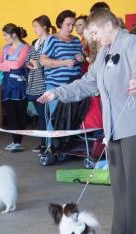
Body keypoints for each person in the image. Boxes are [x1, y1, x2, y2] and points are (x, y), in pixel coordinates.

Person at [38, 8, 136, 234]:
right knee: (121, 183)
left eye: (94, 32)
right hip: (114, 128)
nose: (92, 38)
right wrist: (57, 93)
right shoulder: (104, 53)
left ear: (107, 26)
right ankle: (123, 232)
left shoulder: (130, 41)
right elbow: (86, 83)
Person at [40, 10, 83, 151]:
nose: (71, 28)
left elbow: (80, 58)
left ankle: (65, 147)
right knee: (55, 118)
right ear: (60, 24)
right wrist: (63, 63)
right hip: (55, 86)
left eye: (73, 24)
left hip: (74, 86)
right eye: (68, 24)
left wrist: (80, 58)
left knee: (71, 119)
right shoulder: (52, 39)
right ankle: (51, 148)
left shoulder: (76, 40)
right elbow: (43, 61)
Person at [0, 23, 30, 152]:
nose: (4, 38)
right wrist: (10, 64)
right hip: (6, 85)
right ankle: (16, 141)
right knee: (10, 114)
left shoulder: (25, 48)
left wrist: (6, 64)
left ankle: (18, 141)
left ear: (14, 34)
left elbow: (18, 65)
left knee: (20, 114)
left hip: (20, 86)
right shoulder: (5, 48)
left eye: (5, 35)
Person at [26, 15, 56, 153]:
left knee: (46, 116)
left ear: (44, 27)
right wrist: (33, 64)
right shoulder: (35, 42)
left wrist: (37, 64)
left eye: (36, 26)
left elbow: (46, 61)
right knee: (40, 115)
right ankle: (42, 142)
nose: (35, 30)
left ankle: (46, 143)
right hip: (34, 83)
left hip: (45, 83)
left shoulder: (51, 41)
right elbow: (28, 61)